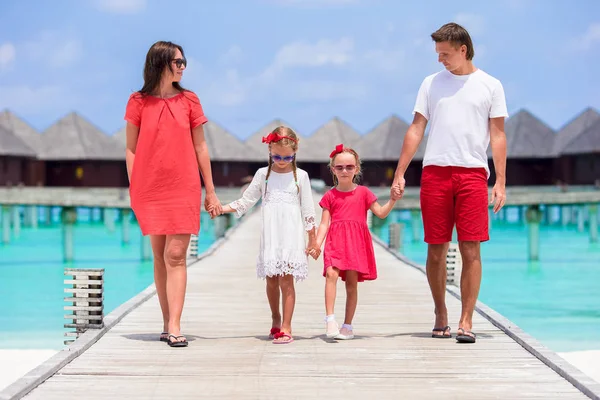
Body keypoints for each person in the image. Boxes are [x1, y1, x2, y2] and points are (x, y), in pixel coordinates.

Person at [392, 22, 508, 343]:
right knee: (435, 249)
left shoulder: (490, 85)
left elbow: (498, 135)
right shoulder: (431, 84)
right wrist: (400, 171)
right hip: (435, 173)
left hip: (472, 174)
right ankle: (441, 312)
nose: (440, 59)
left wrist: (500, 180)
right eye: (437, 53)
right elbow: (416, 128)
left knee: (471, 248)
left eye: (445, 54)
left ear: (463, 50)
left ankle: (466, 319)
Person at [124, 41, 222, 348]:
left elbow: (201, 146)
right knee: (158, 257)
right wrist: (134, 185)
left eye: (183, 62)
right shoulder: (138, 101)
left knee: (175, 255)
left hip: (183, 186)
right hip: (149, 188)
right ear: (160, 63)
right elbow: (131, 148)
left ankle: (176, 325)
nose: (182, 66)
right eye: (177, 62)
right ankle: (167, 323)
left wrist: (211, 190)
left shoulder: (190, 100)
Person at [214, 126, 316, 344]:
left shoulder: (301, 176)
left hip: (292, 236)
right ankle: (275, 317)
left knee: (287, 281)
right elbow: (247, 201)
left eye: (287, 157)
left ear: (295, 152)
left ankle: (287, 327)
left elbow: (308, 209)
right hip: (271, 236)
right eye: (276, 156)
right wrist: (222, 209)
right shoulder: (264, 175)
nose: (281, 160)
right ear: (269, 150)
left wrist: (313, 239)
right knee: (271, 280)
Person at [313, 144, 401, 340]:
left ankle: (347, 325)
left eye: (349, 167)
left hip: (356, 243)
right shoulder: (329, 196)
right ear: (333, 169)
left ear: (357, 169)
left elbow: (381, 213)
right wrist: (317, 244)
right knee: (330, 274)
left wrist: (393, 200)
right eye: (340, 167)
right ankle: (330, 319)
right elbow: (324, 224)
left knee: (352, 284)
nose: (345, 171)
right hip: (336, 241)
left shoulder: (364, 193)